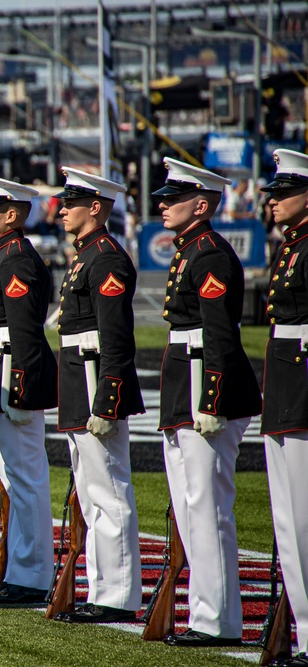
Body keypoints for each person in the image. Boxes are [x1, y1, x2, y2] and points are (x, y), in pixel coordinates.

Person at [155, 157, 262, 647]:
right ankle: (205, 613)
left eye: (172, 199)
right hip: (187, 382)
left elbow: (219, 334)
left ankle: (217, 619)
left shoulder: (210, 254)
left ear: (201, 205)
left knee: (207, 505)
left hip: (205, 386)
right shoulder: (190, 251)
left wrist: (212, 400)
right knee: (190, 504)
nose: (162, 205)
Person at [50, 168, 144, 623]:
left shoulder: (105, 257)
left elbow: (115, 338)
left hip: (93, 381)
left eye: (72, 201)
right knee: (90, 494)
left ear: (97, 207)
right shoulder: (85, 255)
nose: (62, 209)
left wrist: (108, 401)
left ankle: (118, 595)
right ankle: (102, 588)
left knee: (107, 491)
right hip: (77, 377)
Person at [0, 175, 57, 604]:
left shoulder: (16, 257)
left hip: (10, 371)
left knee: (25, 478)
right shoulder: (3, 255)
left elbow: (24, 331)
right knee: (14, 477)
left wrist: (21, 392)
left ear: (12, 215)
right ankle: (23, 571)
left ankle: (34, 575)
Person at [258, 149, 308, 667]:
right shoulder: (292, 247)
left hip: (301, 390)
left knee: (303, 517)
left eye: (284, 192)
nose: (273, 201)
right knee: (289, 522)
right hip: (285, 389)